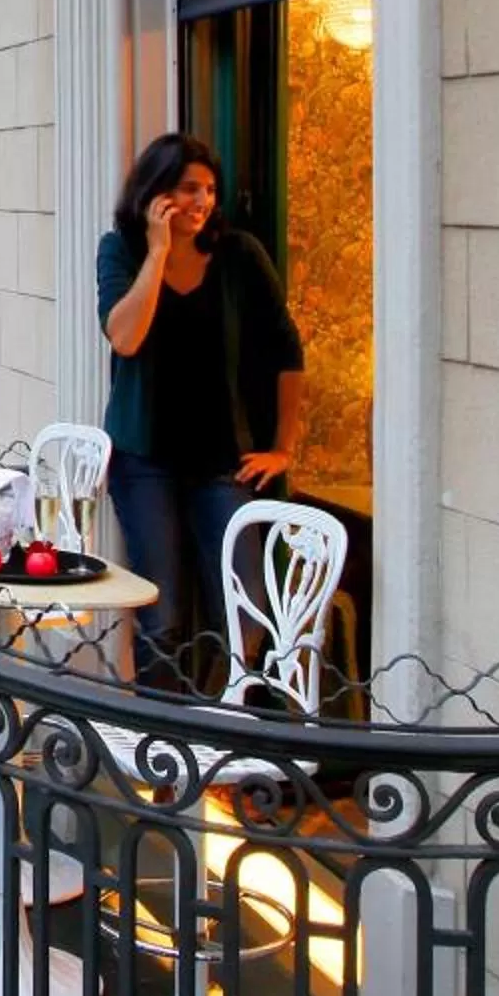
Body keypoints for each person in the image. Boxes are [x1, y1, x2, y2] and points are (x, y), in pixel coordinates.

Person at [97, 130, 308, 690]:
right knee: (161, 615)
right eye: (189, 188)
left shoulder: (239, 256)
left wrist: (282, 448)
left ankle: (217, 722)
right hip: (145, 463)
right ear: (156, 192)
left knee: (247, 614)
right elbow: (125, 337)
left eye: (210, 190)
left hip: (222, 463)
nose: (202, 201)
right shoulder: (121, 250)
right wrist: (158, 253)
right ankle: (160, 736)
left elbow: (286, 351)